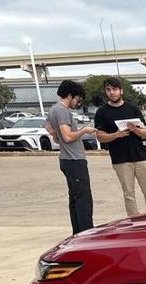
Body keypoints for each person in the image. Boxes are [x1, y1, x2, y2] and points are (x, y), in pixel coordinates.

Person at [93, 77, 146, 217]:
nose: (112, 92)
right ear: (106, 92)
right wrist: (116, 135)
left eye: (115, 89)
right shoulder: (101, 112)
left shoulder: (133, 109)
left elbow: (145, 133)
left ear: (121, 91)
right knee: (129, 193)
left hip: (141, 156)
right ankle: (134, 221)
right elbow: (100, 136)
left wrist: (135, 129)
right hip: (120, 159)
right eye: (109, 90)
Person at [45, 80, 97, 234]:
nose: (78, 102)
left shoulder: (53, 110)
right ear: (69, 95)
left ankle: (77, 232)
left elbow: (49, 127)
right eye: (78, 98)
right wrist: (84, 130)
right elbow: (68, 137)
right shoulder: (62, 111)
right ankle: (86, 233)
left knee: (74, 198)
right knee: (83, 199)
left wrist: (57, 136)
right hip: (74, 159)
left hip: (66, 158)